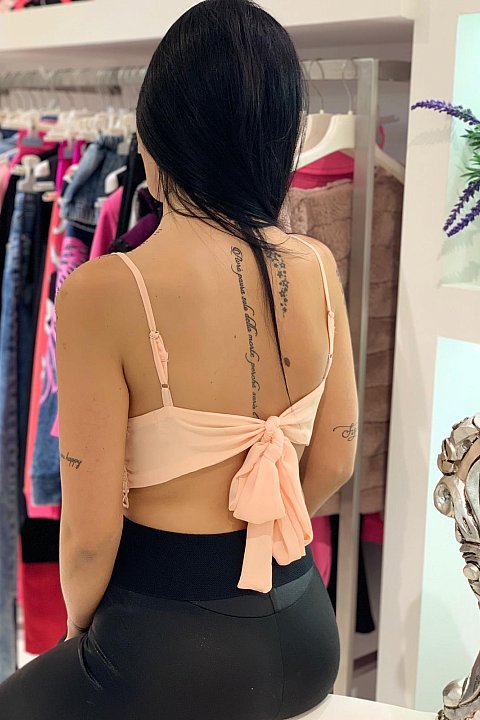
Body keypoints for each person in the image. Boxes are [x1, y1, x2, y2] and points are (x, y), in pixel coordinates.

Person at [0, 1, 358, 718]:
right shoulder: (317, 266)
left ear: (153, 136)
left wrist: (80, 636)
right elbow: (335, 460)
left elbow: (90, 538)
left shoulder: (106, 288)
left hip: (168, 651)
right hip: (308, 637)